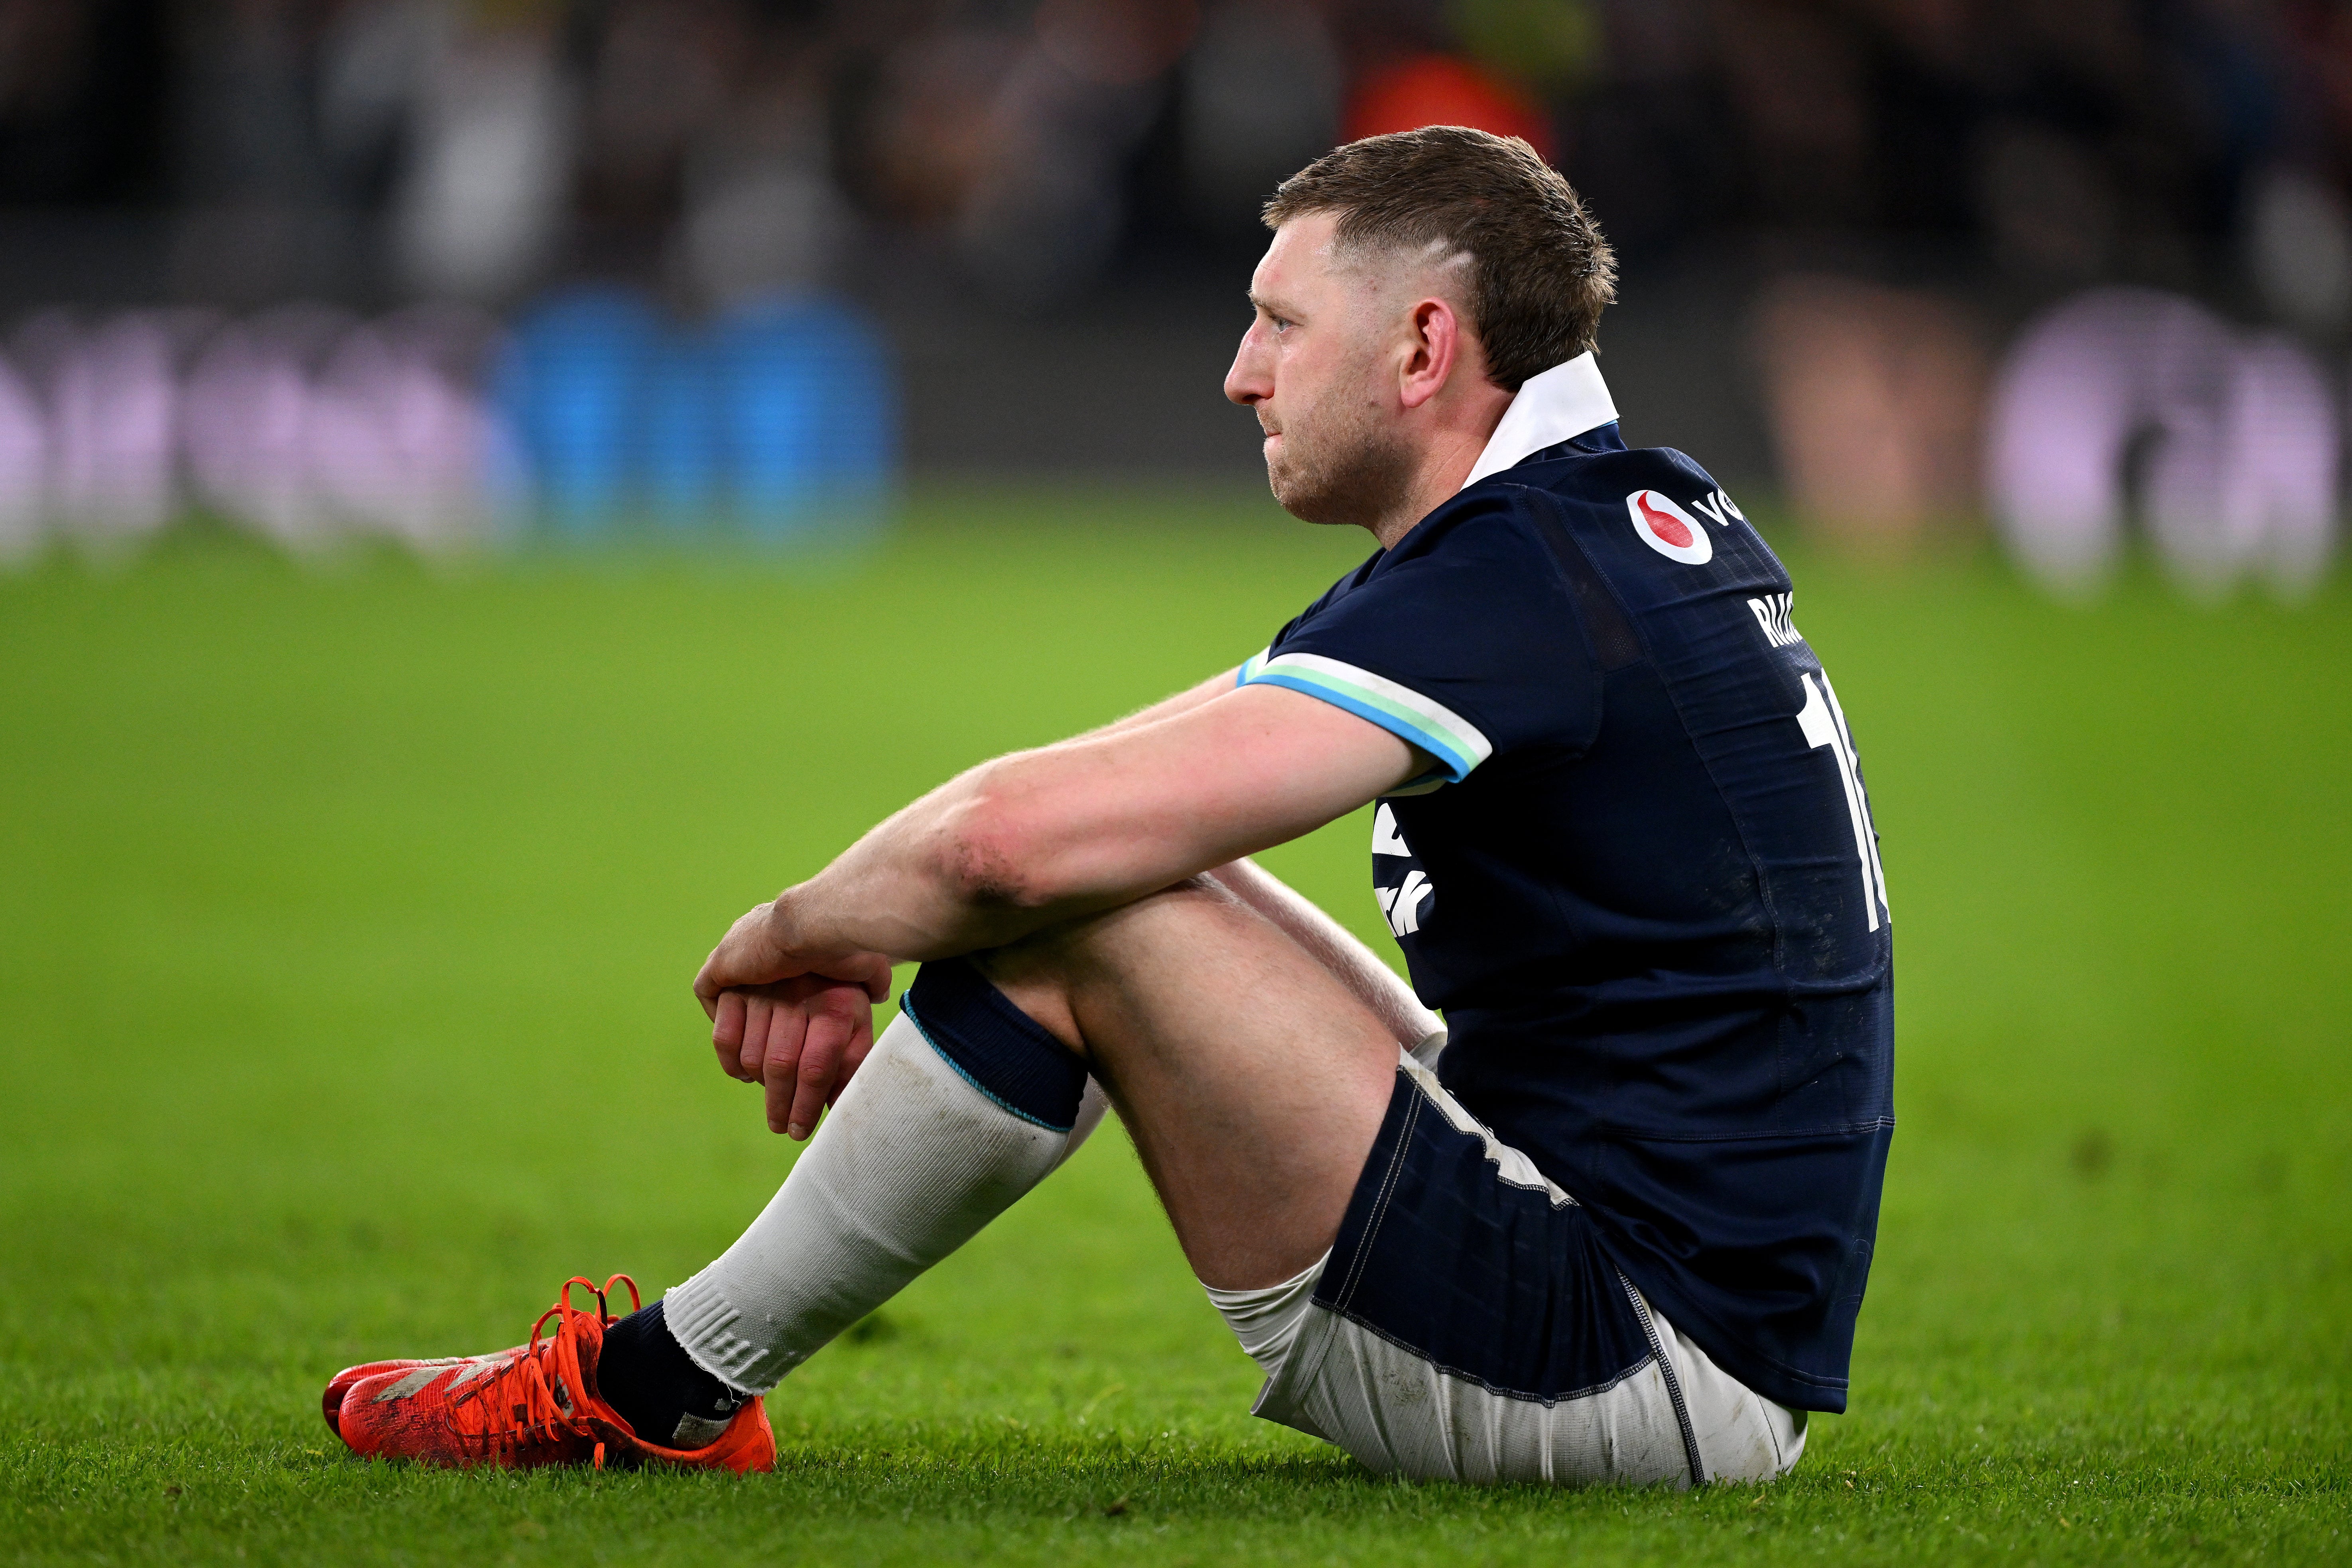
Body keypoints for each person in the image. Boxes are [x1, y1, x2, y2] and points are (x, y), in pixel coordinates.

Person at [322, 126, 1893, 1487]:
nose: (1238, 371)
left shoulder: (1519, 577)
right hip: (1665, 1297)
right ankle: (671, 1381)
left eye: (1279, 320)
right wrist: (890, 903)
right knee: (1106, 864)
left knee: (1086, 899)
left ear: (1422, 349)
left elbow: (1011, 843)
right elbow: (1123, 777)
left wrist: (793, 932)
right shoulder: (1609, 517)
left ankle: (657, 1389)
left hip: (1640, 1365)